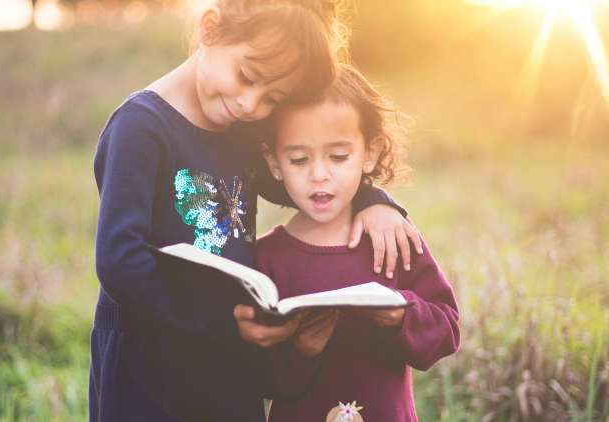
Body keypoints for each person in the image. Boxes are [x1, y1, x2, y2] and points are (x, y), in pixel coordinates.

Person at [89, 2, 423, 421]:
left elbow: (305, 188)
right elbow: (120, 261)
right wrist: (225, 321)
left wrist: (377, 202)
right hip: (150, 363)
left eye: (273, 98)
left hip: (229, 361)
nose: (251, 104)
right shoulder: (141, 128)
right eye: (247, 77)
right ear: (210, 28)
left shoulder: (240, 131)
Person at [259, 64, 460, 422]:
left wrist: (402, 314)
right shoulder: (267, 259)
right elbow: (255, 375)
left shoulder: (391, 237)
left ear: (369, 152)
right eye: (299, 159)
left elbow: (447, 329)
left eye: (338, 157)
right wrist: (300, 350)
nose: (319, 173)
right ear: (274, 161)